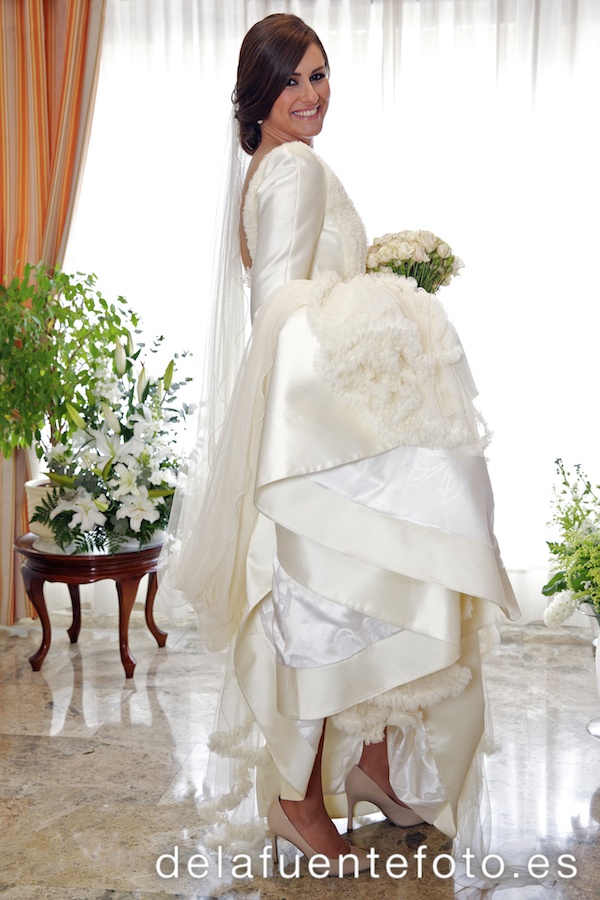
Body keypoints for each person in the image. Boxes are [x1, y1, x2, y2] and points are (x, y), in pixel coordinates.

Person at [163, 12, 520, 878]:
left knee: (360, 593)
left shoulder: (270, 167)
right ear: (258, 94)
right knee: (324, 603)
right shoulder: (289, 167)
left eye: (320, 76)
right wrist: (386, 314)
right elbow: (283, 308)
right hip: (311, 424)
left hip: (317, 415)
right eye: (293, 81)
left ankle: (370, 766)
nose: (312, 96)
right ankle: (293, 800)